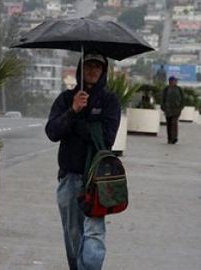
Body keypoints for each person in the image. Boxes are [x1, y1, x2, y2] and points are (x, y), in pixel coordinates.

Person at [45, 51, 121, 270]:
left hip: (97, 179)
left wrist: (79, 123)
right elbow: (52, 132)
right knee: (72, 234)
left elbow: (107, 138)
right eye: (89, 65)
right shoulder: (66, 99)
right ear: (81, 68)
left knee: (95, 234)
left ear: (104, 70)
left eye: (98, 66)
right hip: (69, 177)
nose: (93, 70)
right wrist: (73, 111)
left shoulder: (109, 101)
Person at [161, 76, 184, 144]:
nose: (175, 82)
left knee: (174, 124)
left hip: (176, 110)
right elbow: (163, 99)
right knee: (169, 124)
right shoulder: (166, 89)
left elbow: (183, 99)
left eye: (176, 81)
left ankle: (174, 138)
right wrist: (163, 107)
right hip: (168, 110)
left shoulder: (179, 89)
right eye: (174, 81)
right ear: (170, 81)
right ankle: (169, 138)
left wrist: (181, 107)